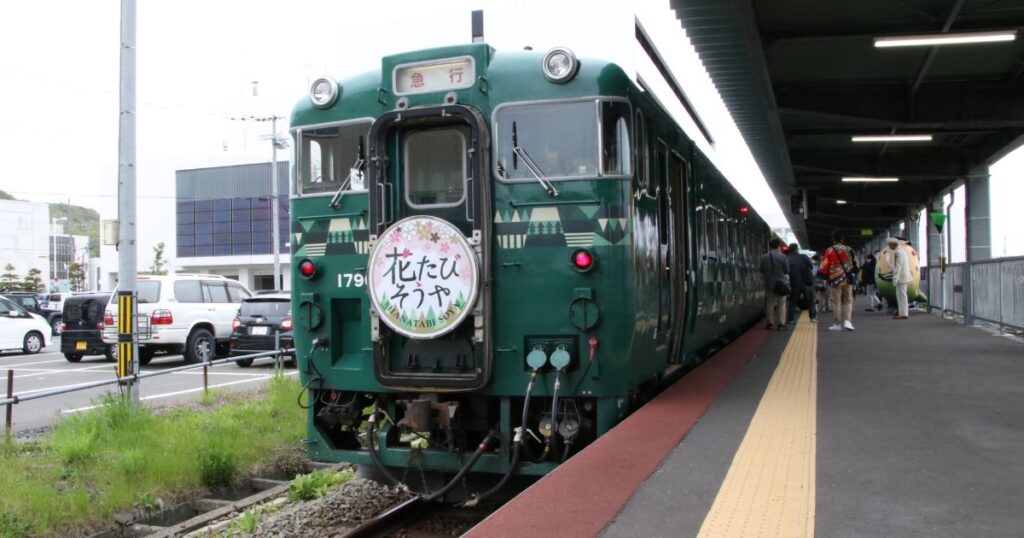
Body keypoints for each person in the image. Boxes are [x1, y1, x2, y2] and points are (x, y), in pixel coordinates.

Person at [818, 229, 857, 332]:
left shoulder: (829, 250)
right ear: (842, 239)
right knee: (848, 300)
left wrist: (824, 278)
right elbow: (855, 264)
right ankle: (848, 322)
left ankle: (837, 324)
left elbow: (824, 265)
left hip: (835, 280)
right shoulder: (850, 249)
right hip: (848, 279)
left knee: (836, 302)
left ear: (833, 239)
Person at [758, 238, 790, 331]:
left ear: (770, 246)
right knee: (781, 304)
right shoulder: (783, 257)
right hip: (781, 284)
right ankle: (781, 324)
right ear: (778, 246)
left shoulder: (764, 257)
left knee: (770, 304)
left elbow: (761, 272)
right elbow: (787, 271)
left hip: (769, 285)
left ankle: (770, 323)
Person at [786, 243, 817, 324]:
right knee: (810, 300)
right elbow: (811, 265)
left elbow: (786, 271)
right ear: (797, 249)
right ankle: (813, 317)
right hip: (806, 282)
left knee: (793, 301)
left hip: (794, 283)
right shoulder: (803, 256)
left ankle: (791, 319)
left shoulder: (788, 259)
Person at [889, 237, 912, 319]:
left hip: (901, 277)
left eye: (890, 244)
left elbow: (898, 266)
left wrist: (895, 277)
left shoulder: (898, 252)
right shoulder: (901, 251)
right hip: (903, 276)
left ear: (893, 244)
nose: (889, 246)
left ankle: (904, 313)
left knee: (901, 295)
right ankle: (902, 313)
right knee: (901, 295)